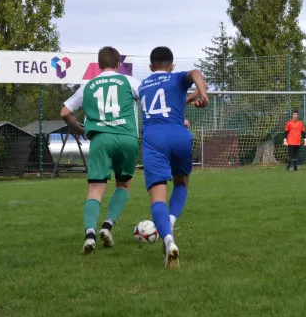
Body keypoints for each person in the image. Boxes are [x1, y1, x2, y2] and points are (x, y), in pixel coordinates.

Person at [60, 46, 142, 255]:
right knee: (123, 185)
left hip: (100, 139)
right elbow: (149, 102)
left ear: (99, 64)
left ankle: (90, 235)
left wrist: (82, 130)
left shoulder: (88, 85)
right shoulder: (129, 81)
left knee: (95, 190)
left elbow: (65, 112)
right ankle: (107, 226)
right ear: (117, 64)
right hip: (126, 137)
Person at [138, 46, 208, 269]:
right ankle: (169, 221)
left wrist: (191, 97)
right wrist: (202, 94)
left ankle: (168, 241)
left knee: (158, 196)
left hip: (153, 138)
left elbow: (165, 103)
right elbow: (196, 73)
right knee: (181, 183)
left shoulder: (143, 86)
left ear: (150, 67)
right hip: (179, 136)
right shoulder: (176, 77)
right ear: (172, 65)